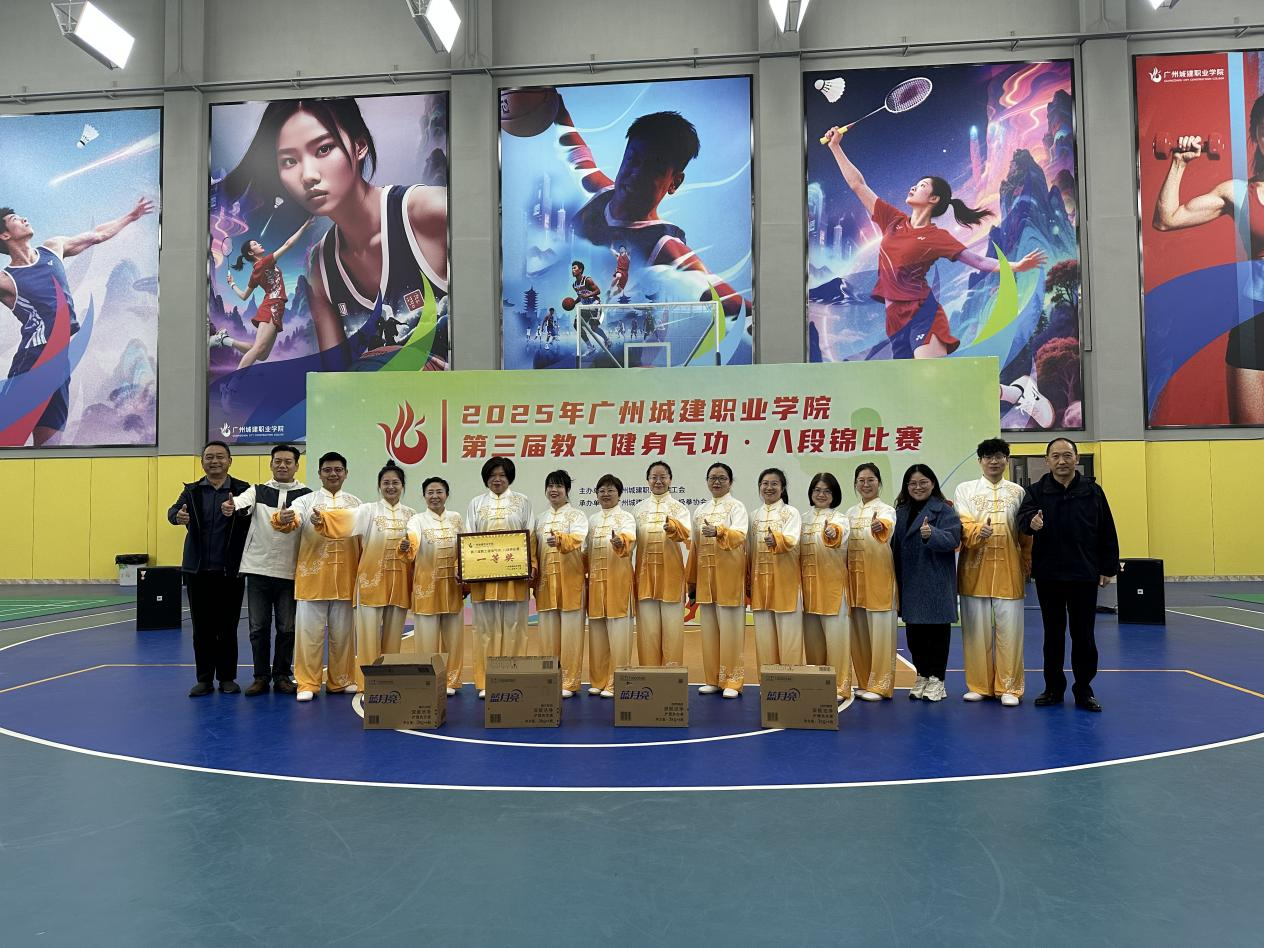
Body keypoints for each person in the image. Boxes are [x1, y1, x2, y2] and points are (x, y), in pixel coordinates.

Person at [220, 97, 449, 367]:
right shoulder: (321, 265)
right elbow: (335, 380)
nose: (308, 175)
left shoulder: (430, 212)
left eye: (324, 149)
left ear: (359, 146)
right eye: (289, 161)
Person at [821, 128, 1047, 360]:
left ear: (934, 199)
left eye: (921, 186)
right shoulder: (892, 220)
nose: (913, 187)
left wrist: (1016, 265)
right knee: (913, 381)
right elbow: (858, 185)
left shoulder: (937, 237)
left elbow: (978, 261)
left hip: (922, 314)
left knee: (929, 374)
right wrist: (835, 147)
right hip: (895, 321)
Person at [548, 99, 750, 320]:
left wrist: (757, 319)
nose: (636, 173)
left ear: (674, 182)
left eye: (654, 168)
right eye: (633, 159)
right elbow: (574, 149)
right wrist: (556, 107)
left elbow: (721, 296)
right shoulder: (600, 191)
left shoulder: (663, 244)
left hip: (616, 330)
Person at [0, 198, 154, 446]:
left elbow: (98, 235)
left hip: (61, 361)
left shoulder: (53, 248)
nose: (24, 219)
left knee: (50, 446)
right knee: (8, 440)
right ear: (5, 235)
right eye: (15, 219)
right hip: (33, 360)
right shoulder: (6, 280)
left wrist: (130, 216)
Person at [1152, 95, 1264, 423]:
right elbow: (1167, 219)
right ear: (1257, 137)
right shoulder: (1238, 193)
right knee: (1249, 440)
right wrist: (1179, 162)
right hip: (1254, 321)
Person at [1018, 438, 1119, 712]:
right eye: (1055, 456)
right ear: (1047, 461)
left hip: (1083, 574)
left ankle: (1084, 689)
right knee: (1053, 635)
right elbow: (1022, 521)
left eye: (1067, 455)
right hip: (1049, 575)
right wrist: (1031, 523)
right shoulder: (1036, 492)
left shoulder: (1093, 491)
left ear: (1076, 458)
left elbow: (1107, 529)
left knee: (1084, 635)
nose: (1061, 461)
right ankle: (1053, 688)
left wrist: (1108, 567)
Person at [312, 460, 415, 691]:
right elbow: (342, 519)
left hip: (399, 584)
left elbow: (418, 548)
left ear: (402, 486)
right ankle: (367, 684)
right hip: (371, 583)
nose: (390, 487)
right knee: (368, 638)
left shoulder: (412, 515)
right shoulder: (367, 511)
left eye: (395, 483)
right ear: (379, 486)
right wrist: (323, 519)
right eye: (386, 483)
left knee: (393, 637)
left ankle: (390, 680)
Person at [223, 443, 311, 696]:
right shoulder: (257, 490)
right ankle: (260, 677)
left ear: (296, 465)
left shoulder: (306, 495)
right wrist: (231, 506)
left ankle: (282, 675)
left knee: (287, 628)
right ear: (271, 464)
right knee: (258, 628)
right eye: (278, 461)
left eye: (288, 462)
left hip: (290, 572)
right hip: (258, 569)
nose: (282, 465)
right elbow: (240, 503)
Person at [275, 452, 361, 701]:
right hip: (312, 579)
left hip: (345, 579)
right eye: (327, 470)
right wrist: (284, 518)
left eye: (338, 470)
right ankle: (307, 683)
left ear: (346, 473)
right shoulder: (305, 501)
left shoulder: (356, 504)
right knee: (308, 636)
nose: (333, 474)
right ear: (319, 473)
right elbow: (292, 519)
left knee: (343, 636)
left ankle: (341, 680)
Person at [167, 440, 251, 697]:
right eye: (209, 457)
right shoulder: (192, 491)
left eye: (220, 457)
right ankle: (204, 679)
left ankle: (227, 678)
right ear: (202, 462)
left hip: (230, 571)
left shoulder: (242, 489)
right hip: (198, 571)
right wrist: (177, 517)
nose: (214, 461)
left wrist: (238, 511)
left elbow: (251, 515)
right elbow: (173, 511)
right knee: (202, 628)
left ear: (229, 461)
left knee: (228, 627)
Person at [954, 438, 1032, 706]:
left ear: (1007, 460)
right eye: (988, 457)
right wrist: (979, 531)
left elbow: (1025, 533)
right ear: (980, 461)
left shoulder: (1018, 492)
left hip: (1009, 570)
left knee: (1011, 632)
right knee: (975, 631)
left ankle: (1009, 687)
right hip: (974, 569)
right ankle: (979, 685)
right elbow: (962, 523)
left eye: (999, 456)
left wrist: (1026, 563)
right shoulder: (965, 490)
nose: (994, 461)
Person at [464, 457, 535, 699]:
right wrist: (466, 569)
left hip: (515, 577)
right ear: (486, 478)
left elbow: (530, 536)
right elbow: (469, 536)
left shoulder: (522, 502)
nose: (497, 479)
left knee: (516, 627)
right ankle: (486, 680)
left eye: (502, 475)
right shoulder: (476, 503)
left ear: (509, 478)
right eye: (493, 475)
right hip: (483, 577)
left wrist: (532, 565)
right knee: (484, 629)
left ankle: (513, 677)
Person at [892, 464, 962, 703]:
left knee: (937, 635)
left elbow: (953, 539)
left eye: (923, 482)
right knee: (914, 636)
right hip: (910, 581)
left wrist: (932, 534)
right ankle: (922, 675)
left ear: (932, 484)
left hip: (935, 581)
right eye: (913, 483)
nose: (918, 487)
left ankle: (937, 680)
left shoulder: (944, 509)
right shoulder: (900, 511)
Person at [211, 219, 313, 368]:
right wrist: (304, 226)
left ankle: (224, 340)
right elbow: (288, 244)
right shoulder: (265, 262)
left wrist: (232, 284)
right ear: (251, 252)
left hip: (275, 307)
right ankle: (234, 381)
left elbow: (244, 296)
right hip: (272, 306)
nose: (259, 244)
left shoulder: (255, 272)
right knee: (259, 349)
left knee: (262, 355)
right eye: (255, 244)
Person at [687, 462, 749, 698]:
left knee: (731, 632)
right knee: (709, 631)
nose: (717, 482)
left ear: (730, 482)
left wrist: (720, 532)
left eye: (722, 478)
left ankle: (733, 681)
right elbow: (694, 547)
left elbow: (740, 536)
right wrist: (692, 582)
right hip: (706, 580)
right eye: (712, 478)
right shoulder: (700, 511)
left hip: (729, 578)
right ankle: (713, 678)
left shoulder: (737, 507)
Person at [400, 476, 465, 696]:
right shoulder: (417, 520)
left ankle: (451, 681)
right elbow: (413, 538)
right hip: (426, 588)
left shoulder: (456, 519)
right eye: (430, 492)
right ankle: (428, 679)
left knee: (453, 639)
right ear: (424, 496)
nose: (435, 496)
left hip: (453, 588)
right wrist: (408, 545)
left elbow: (465, 548)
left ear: (447, 494)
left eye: (439, 492)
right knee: (426, 639)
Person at [844, 463, 898, 701]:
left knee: (881, 636)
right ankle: (865, 682)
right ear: (855, 484)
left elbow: (887, 527)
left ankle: (881, 686)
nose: (865, 485)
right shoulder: (849, 513)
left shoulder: (887, 510)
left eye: (871, 480)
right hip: (854, 582)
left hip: (879, 581)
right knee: (859, 635)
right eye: (861, 480)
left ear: (879, 483)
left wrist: (879, 526)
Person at [534, 470, 589, 697]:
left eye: (558, 486)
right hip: (546, 584)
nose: (553, 490)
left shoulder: (577, 516)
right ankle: (548, 678)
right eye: (550, 486)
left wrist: (560, 539)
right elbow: (533, 550)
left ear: (567, 490)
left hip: (571, 582)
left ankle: (569, 682)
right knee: (547, 635)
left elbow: (577, 539)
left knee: (571, 635)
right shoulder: (540, 519)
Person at [633, 461, 691, 667]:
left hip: (671, 578)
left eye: (663, 477)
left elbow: (685, 534)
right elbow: (630, 541)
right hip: (645, 579)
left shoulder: (679, 508)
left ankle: (671, 677)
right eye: (654, 477)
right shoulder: (638, 509)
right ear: (647, 480)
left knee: (673, 632)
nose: (658, 481)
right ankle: (649, 674)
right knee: (647, 633)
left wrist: (673, 528)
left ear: (670, 480)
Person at [800, 472, 853, 700]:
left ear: (834, 495)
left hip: (833, 590)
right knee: (813, 643)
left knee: (837, 641)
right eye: (817, 490)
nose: (821, 495)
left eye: (827, 491)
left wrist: (832, 532)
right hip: (807, 590)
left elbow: (840, 535)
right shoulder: (801, 519)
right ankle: (817, 683)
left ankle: (840, 686)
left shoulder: (840, 519)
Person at [585, 474, 636, 698]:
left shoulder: (626, 517)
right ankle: (598, 680)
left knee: (619, 635)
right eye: (602, 490)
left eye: (611, 490)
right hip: (596, 584)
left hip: (619, 583)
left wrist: (620, 541)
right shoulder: (592, 520)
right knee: (597, 634)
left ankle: (617, 682)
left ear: (619, 494)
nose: (606, 494)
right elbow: (585, 551)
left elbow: (629, 538)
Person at [749, 468, 804, 670]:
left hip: (785, 585)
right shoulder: (753, 516)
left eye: (774, 484)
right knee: (764, 641)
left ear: (783, 487)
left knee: (789, 639)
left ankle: (791, 680)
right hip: (760, 588)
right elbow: (749, 551)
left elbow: (792, 540)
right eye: (765, 483)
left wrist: (777, 540)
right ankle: (769, 681)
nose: (769, 487)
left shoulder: (791, 513)